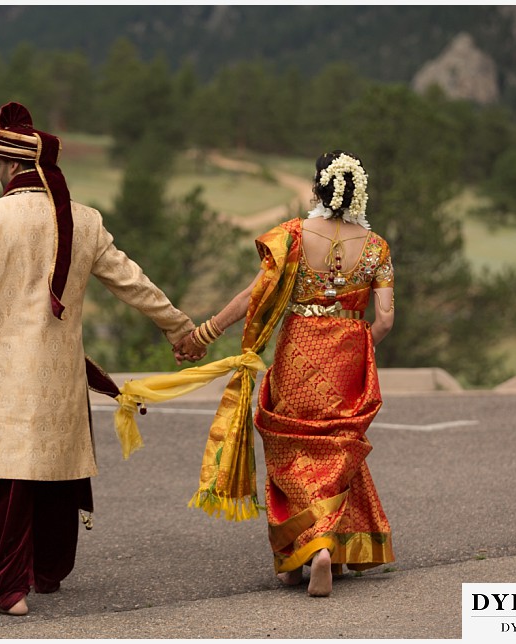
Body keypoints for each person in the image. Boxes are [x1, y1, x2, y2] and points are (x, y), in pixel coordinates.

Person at [0, 102, 195, 616]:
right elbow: (134, 283)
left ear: (13, 168)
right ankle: (46, 572)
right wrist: (181, 328)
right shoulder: (86, 221)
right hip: (61, 379)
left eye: (0, 166)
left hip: (4, 378)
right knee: (51, 473)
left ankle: (11, 588)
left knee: (2, 479)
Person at [174, 150, 395, 597]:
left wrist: (204, 333)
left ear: (317, 188)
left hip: (297, 353)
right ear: (358, 193)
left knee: (289, 449)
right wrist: (355, 346)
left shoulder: (293, 237)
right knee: (335, 449)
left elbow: (253, 296)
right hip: (348, 356)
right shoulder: (377, 249)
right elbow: (386, 320)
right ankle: (322, 547)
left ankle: (305, 554)